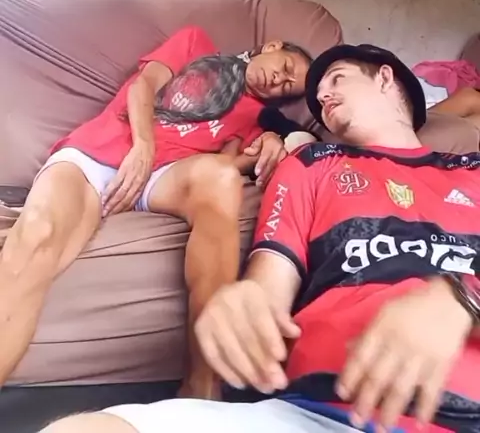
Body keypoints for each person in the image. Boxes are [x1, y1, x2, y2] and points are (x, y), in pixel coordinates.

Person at [41, 43, 480, 433]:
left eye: (336, 79)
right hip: (323, 412)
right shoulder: (311, 163)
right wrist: (245, 306)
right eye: (317, 95)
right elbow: (269, 281)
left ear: (385, 77)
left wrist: (462, 300)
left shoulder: (472, 170)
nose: (323, 97)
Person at [0, 24, 311, 398]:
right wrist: (143, 148)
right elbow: (142, 87)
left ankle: (202, 387)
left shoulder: (258, 122)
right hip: (103, 153)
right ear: (272, 46)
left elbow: (240, 161)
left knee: (222, 179)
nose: (279, 80)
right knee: (38, 235)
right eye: (286, 67)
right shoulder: (196, 43)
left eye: (287, 87)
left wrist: (276, 142)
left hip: (165, 177)